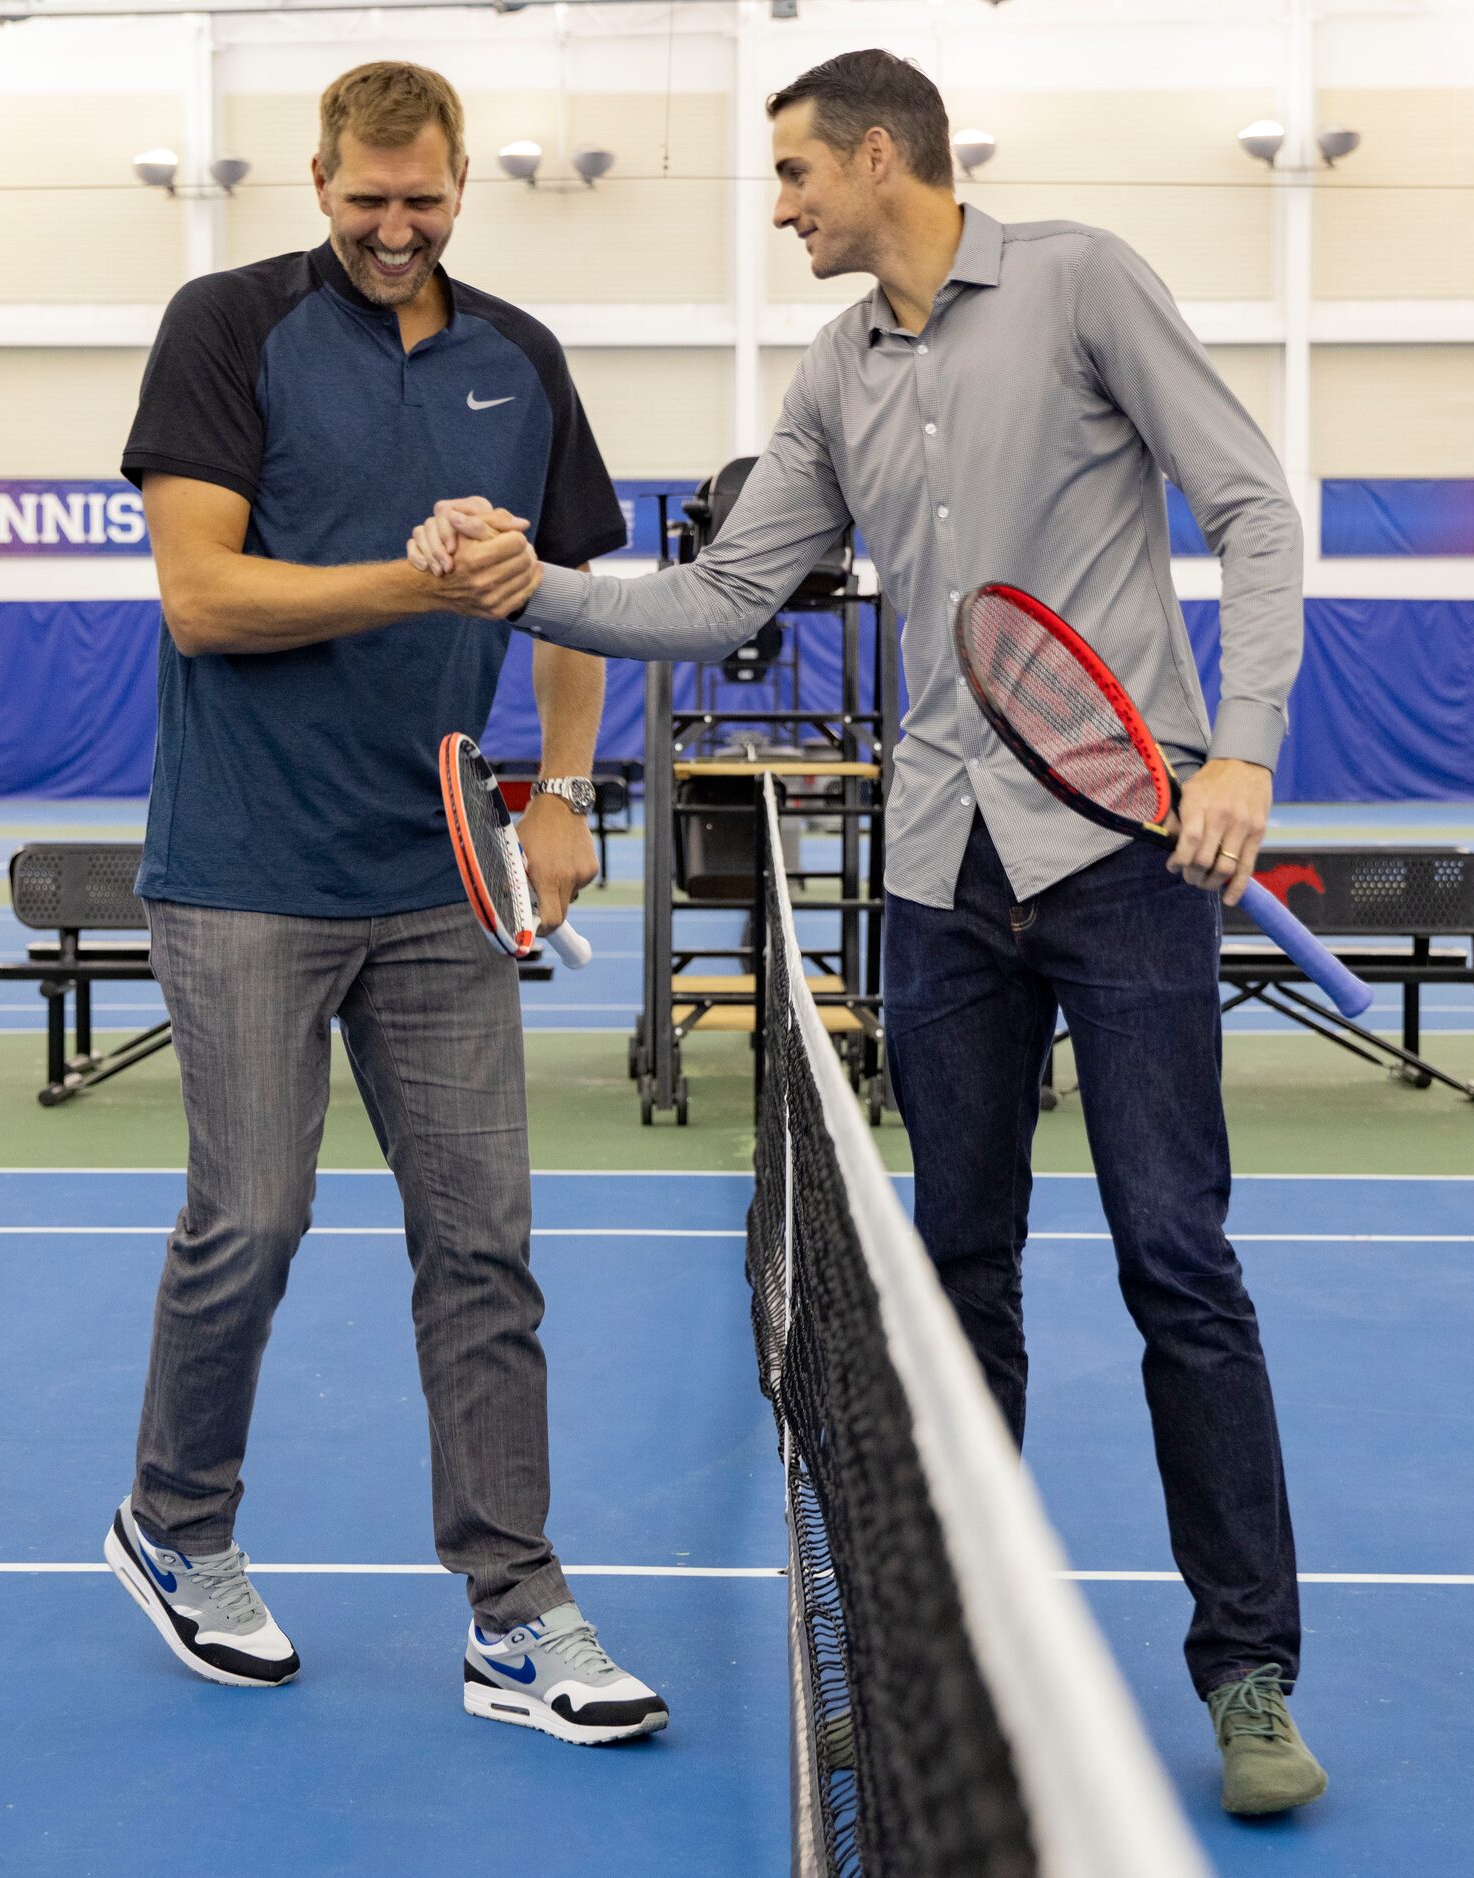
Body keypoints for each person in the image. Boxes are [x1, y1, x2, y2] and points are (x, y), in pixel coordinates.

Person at [409, 48, 1323, 1809]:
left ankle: (1252, 1670)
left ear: (879, 155)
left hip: (1129, 854)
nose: (782, 208)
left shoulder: (1080, 282)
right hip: (942, 874)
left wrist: (1247, 751)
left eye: (795, 176)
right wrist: (541, 582)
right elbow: (728, 593)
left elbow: (1254, 510)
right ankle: (971, 1630)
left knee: (1178, 1268)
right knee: (956, 1272)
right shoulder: (834, 370)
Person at [101, 59, 667, 1747]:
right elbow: (201, 597)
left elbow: (568, 596)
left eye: (424, 203)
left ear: (464, 187)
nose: (395, 229)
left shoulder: (520, 360)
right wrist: (419, 575)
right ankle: (177, 1523)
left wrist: (560, 792)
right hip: (246, 868)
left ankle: (516, 1609)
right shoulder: (226, 326)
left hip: (440, 882)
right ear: (320, 175)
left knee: (483, 1239)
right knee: (254, 1218)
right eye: (367, 200)